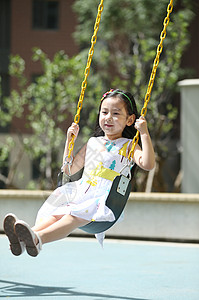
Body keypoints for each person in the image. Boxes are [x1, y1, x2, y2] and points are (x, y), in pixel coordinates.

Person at [3, 89, 155, 257]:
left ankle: (38, 239)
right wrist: (70, 141)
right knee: (55, 215)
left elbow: (147, 164)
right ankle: (24, 239)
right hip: (81, 192)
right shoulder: (92, 142)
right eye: (104, 112)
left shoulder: (128, 146)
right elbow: (69, 169)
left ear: (130, 120)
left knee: (71, 216)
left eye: (116, 113)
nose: (108, 117)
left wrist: (144, 133)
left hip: (103, 199)